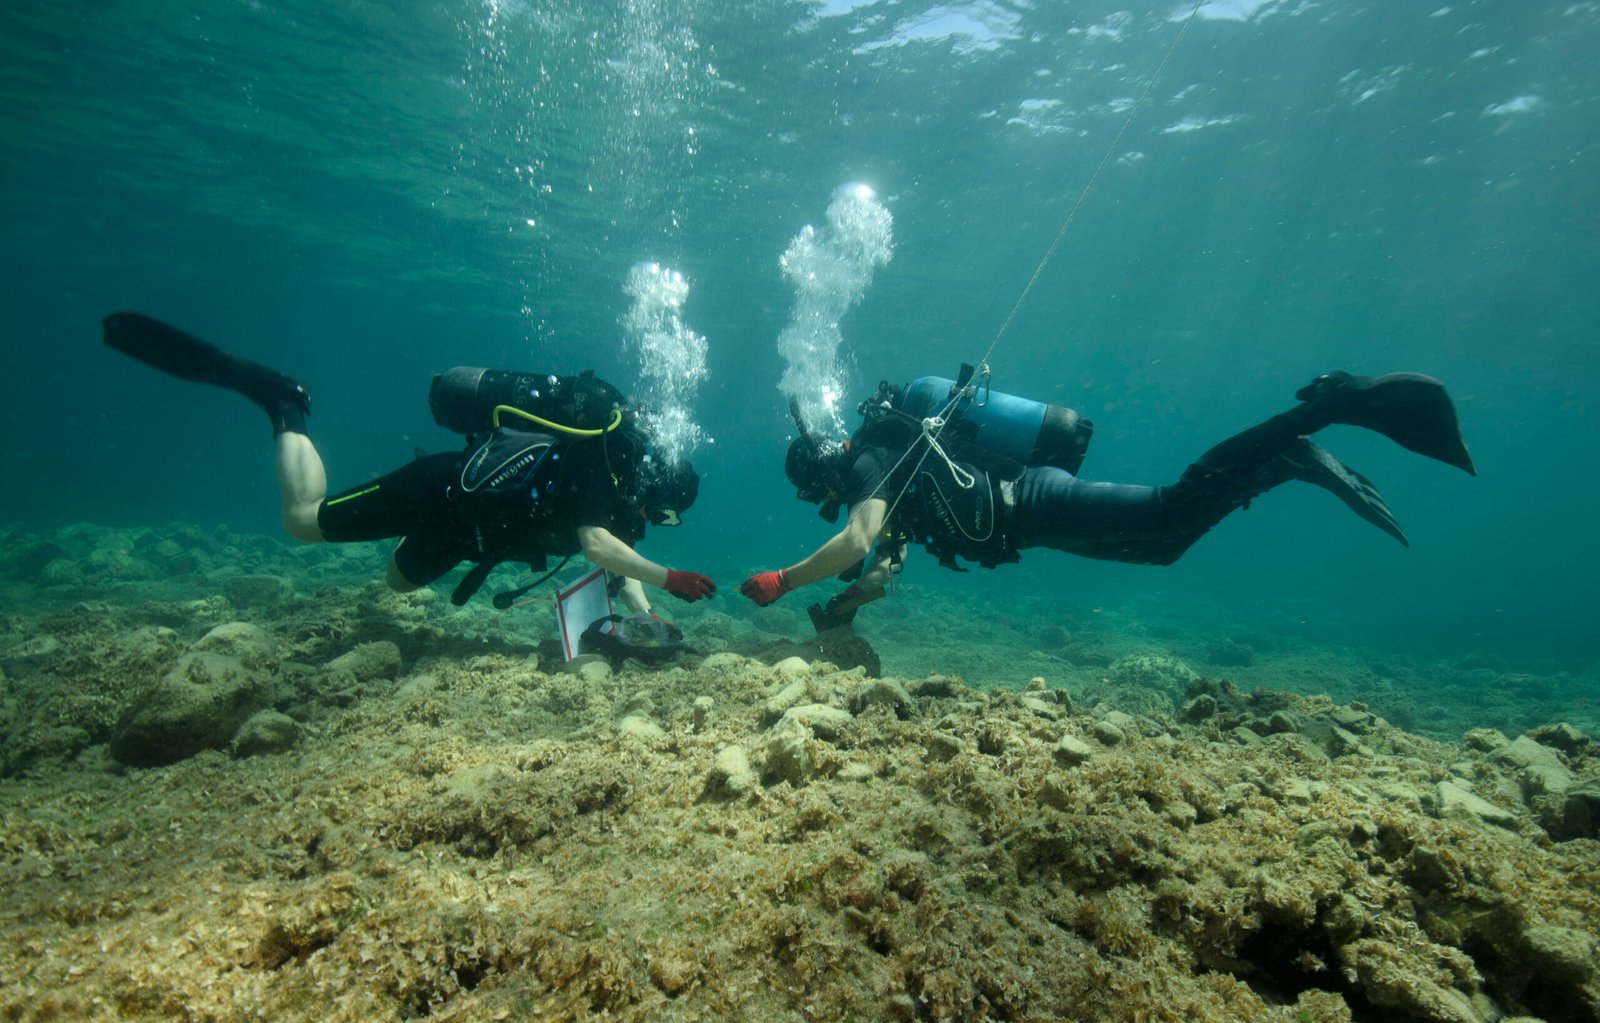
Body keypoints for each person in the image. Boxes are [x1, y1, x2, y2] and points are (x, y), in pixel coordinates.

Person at [738, 367, 1475, 630]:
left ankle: (1321, 412)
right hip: (1029, 517)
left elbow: (856, 541)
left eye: (820, 492)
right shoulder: (894, 468)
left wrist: (784, 578)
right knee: (1162, 540)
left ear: (823, 473)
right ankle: (1286, 456)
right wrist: (839, 610)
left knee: (1165, 517)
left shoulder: (872, 458)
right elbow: (877, 569)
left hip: (1035, 501)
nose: (831, 500)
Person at [103, 312, 716, 614]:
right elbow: (596, 546)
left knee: (394, 586)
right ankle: (283, 405)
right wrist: (674, 579)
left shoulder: (615, 489)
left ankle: (389, 528)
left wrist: (651, 621)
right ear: (653, 489)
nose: (649, 519)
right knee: (300, 521)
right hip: (440, 492)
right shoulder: (595, 466)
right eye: (659, 513)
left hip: (466, 537)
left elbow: (619, 563)